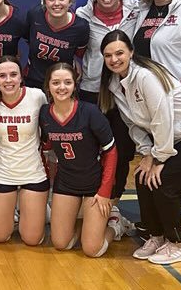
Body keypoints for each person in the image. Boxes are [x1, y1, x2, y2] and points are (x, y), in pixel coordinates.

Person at [98, 29, 181, 265]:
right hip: (176, 135)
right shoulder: (115, 84)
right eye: (108, 55)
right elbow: (133, 124)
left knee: (163, 180)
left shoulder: (146, 76)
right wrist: (147, 153)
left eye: (119, 53)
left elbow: (162, 117)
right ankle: (156, 237)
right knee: (141, 177)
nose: (114, 59)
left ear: (131, 53)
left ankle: (178, 244)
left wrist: (159, 158)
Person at [75, 0, 141, 238]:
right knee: (91, 149)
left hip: (124, 89)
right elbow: (74, 48)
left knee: (122, 150)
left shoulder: (137, 10)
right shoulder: (82, 16)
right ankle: (88, 201)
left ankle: (112, 206)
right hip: (93, 89)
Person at [40, 62, 120, 256]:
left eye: (67, 82)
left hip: (94, 184)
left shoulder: (90, 112)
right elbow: (48, 145)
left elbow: (111, 152)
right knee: (61, 243)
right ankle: (87, 227)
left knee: (92, 250)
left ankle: (116, 225)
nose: (62, 87)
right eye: (56, 82)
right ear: (48, 86)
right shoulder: (44, 113)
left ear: (75, 85)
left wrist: (105, 191)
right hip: (66, 182)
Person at [0, 57, 48, 246]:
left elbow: (47, 131)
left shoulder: (36, 96)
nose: (8, 80)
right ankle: (13, 213)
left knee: (32, 239)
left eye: (13, 75)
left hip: (33, 173)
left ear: (21, 77)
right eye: (2, 76)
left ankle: (40, 212)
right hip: (2, 174)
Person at [24, 0, 89, 89]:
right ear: (45, 2)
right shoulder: (35, 15)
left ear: (70, 1)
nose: (57, 3)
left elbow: (79, 54)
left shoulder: (80, 27)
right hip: (33, 80)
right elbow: (28, 40)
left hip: (62, 84)